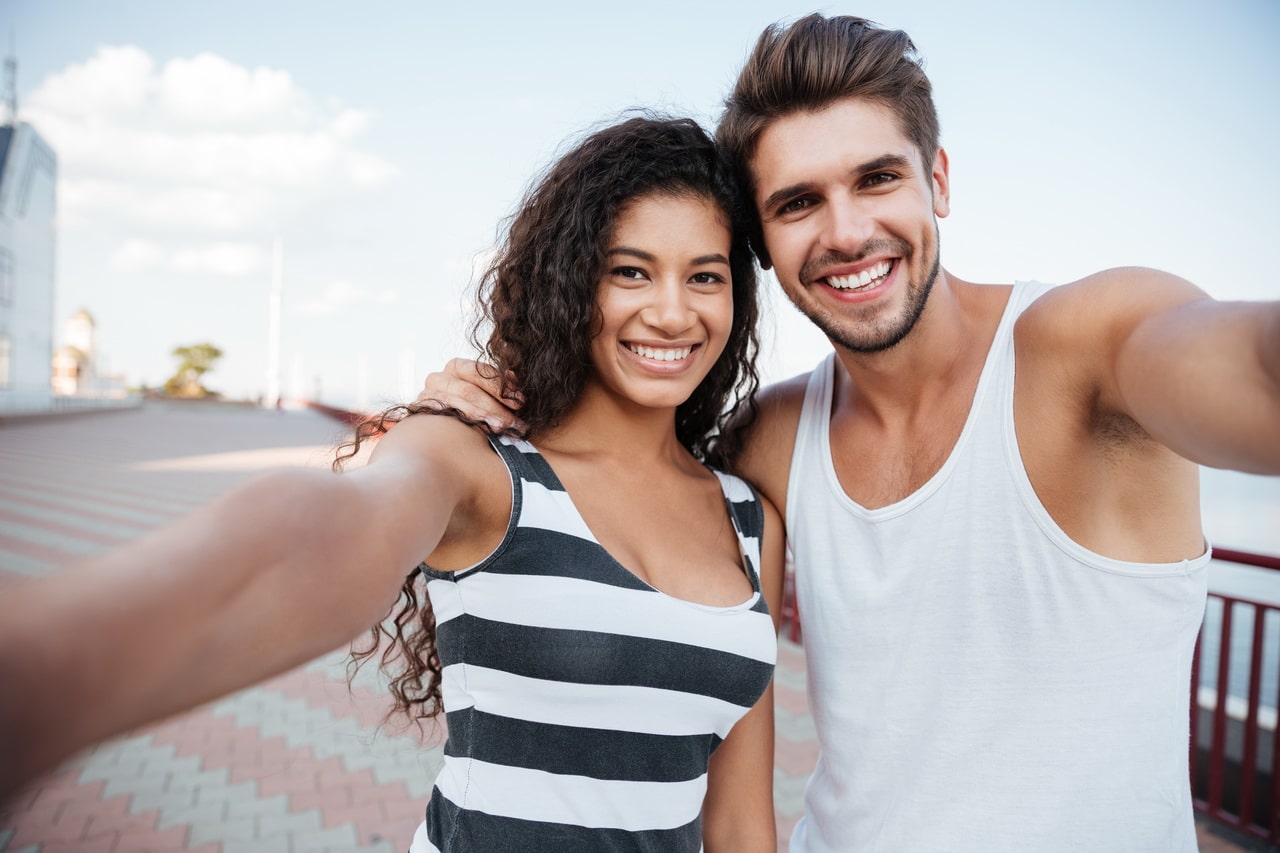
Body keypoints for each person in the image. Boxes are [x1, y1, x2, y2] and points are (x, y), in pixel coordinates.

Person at [415, 14, 1280, 853]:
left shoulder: (1091, 348)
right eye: (798, 203)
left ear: (937, 178)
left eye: (877, 178)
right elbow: (614, 462)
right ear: (759, 242)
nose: (846, 231)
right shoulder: (770, 439)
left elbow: (1246, 365)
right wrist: (493, 401)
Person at [0, 115, 785, 853]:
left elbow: (743, 819)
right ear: (572, 280)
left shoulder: (748, 518)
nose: (673, 311)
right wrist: (46, 668)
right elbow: (313, 542)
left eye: (705, 277)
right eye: (630, 271)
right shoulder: (474, 461)